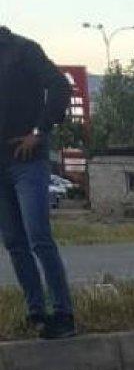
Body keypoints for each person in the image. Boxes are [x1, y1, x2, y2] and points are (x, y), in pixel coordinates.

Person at [0, 26, 76, 339]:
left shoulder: (22, 49)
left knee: (38, 237)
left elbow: (60, 87)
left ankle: (63, 314)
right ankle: (37, 313)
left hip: (26, 161)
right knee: (14, 242)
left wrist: (40, 132)